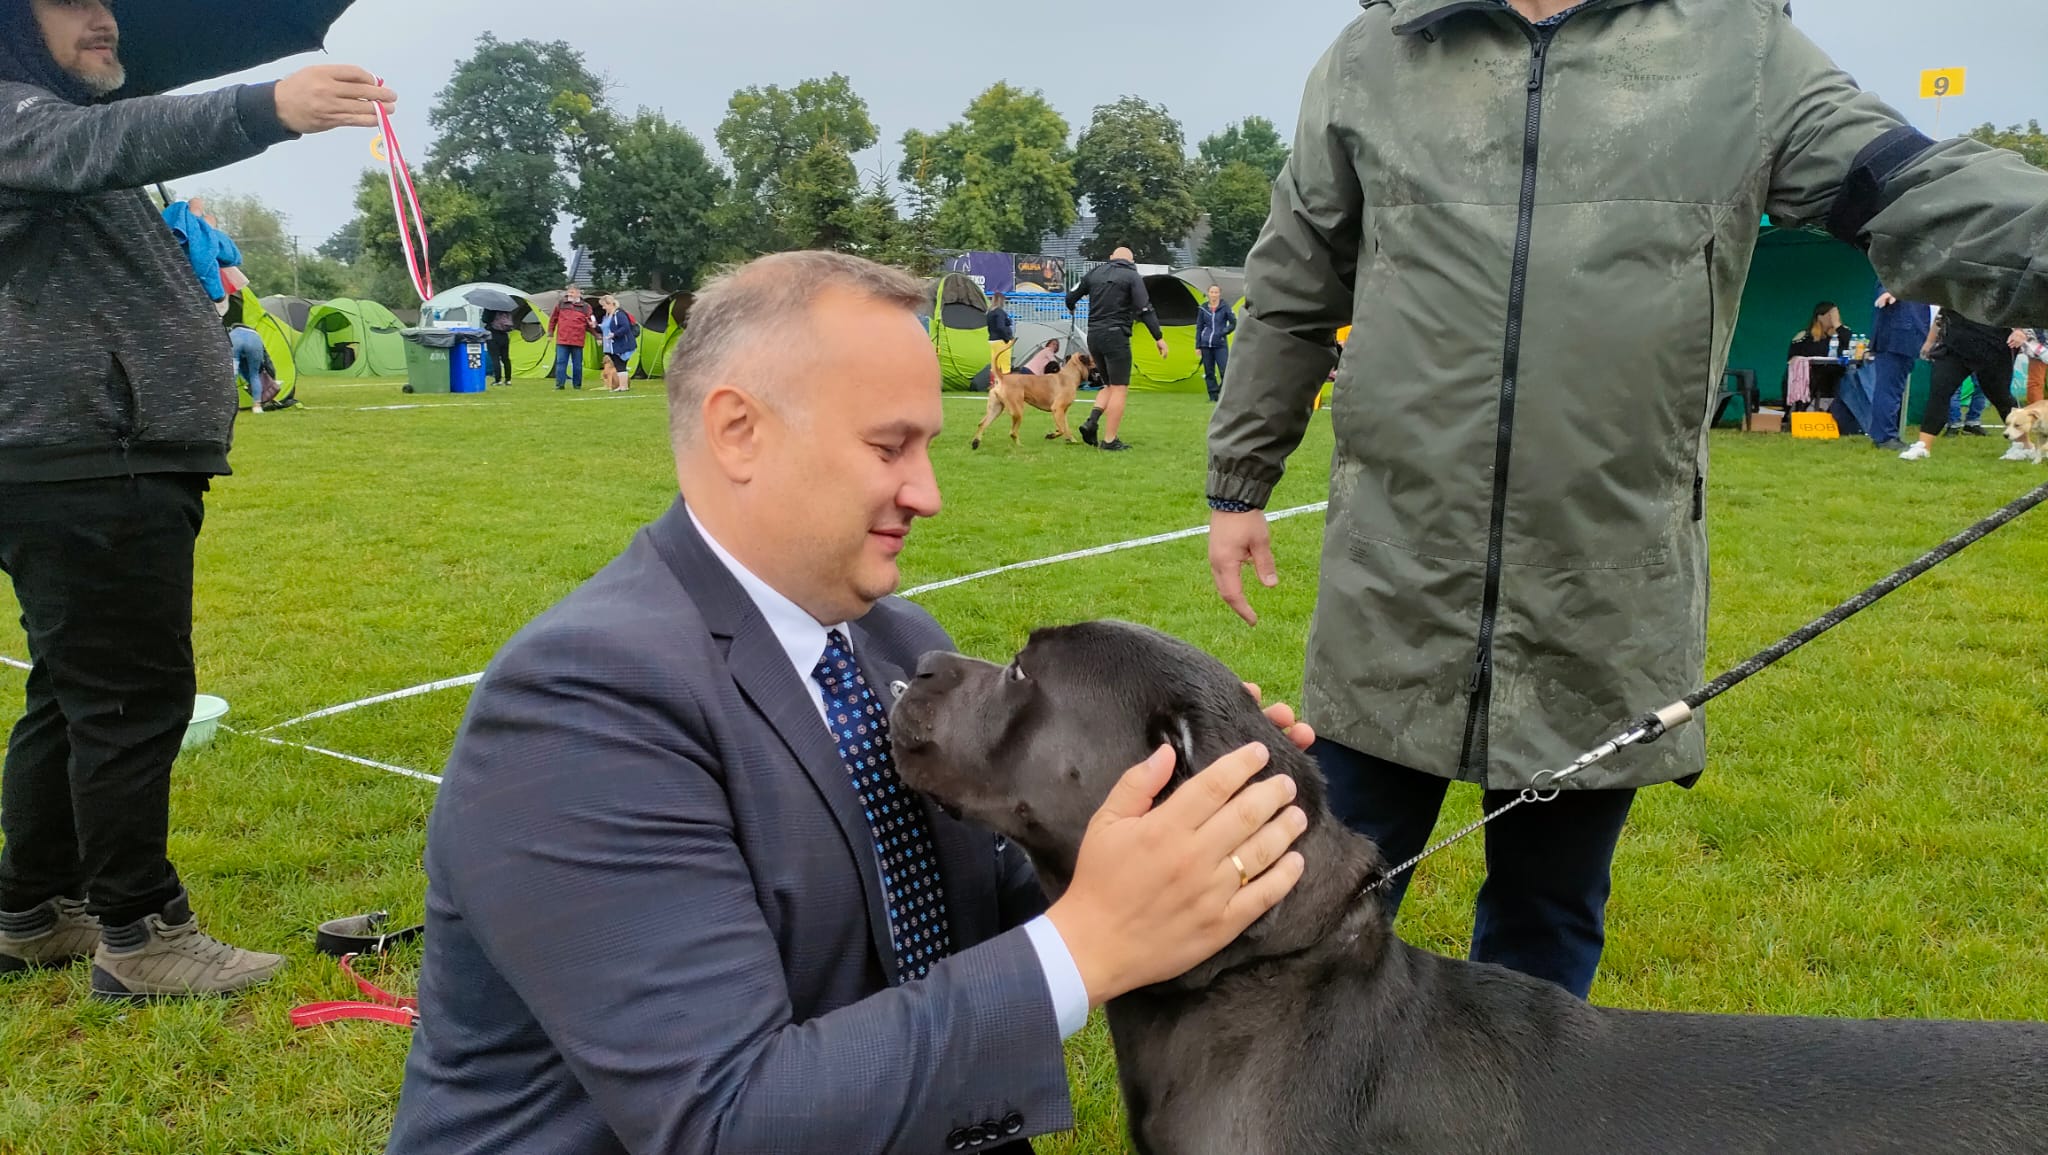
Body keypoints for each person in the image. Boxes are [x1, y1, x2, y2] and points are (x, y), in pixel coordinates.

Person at [1207, 0, 2048, 1001]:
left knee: (1545, 930)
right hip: (1389, 584)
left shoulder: (1734, 46)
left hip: (1603, 598)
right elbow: (1294, 279)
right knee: (1313, 922)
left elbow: (1910, 182)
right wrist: (1240, 476)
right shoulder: (1374, 54)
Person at [385, 251, 1312, 1154]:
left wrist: (1173, 818)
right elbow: (724, 1118)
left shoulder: (896, 642)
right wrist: (1087, 945)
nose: (929, 493)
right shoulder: (581, 706)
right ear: (738, 431)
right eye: (888, 446)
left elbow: (983, 908)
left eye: (929, 446)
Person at [0, 0, 397, 996]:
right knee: (131, 699)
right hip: (91, 456)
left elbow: (102, 139)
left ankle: (34, 910)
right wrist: (269, 106)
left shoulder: (50, 124)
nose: (105, 18)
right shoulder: (23, 119)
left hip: (90, 454)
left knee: (73, 691)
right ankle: (142, 937)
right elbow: (104, 139)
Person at [1068, 246, 1168, 451]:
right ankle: (1110, 440)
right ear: (1131, 261)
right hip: (1116, 335)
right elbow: (1145, 308)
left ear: (1111, 257)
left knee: (1109, 385)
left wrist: (1071, 306)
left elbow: (1071, 296)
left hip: (1094, 336)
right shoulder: (1132, 276)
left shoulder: (1095, 273)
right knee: (1120, 388)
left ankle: (1092, 422)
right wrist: (1158, 337)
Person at [1900, 311, 2028, 461]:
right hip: (1954, 345)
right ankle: (1923, 446)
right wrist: (1929, 341)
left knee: (2000, 397)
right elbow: (1942, 313)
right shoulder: (1955, 295)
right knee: (1939, 391)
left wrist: (2020, 330)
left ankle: (2023, 445)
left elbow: (2019, 306)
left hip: (1993, 346)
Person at [1866, 288, 1932, 450]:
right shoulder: (1900, 277)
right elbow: (1888, 284)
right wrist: (1888, 293)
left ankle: (1885, 435)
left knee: (1891, 390)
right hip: (1897, 339)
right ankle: (1885, 437)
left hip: (1901, 339)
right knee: (1889, 390)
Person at [1785, 300, 1852, 410]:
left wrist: (1837, 326)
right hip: (1813, 376)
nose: (1834, 318)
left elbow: (1851, 345)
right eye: (1831, 315)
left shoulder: (1843, 333)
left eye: (1836, 315)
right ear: (1820, 317)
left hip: (1837, 374)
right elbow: (1792, 359)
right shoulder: (1804, 337)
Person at [1196, 283, 1237, 402]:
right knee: (1209, 372)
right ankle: (1213, 396)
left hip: (1220, 344)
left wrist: (1223, 332)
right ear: (1208, 294)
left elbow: (1233, 323)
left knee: (1224, 370)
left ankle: (1221, 392)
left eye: (1216, 292)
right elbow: (1199, 327)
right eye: (1212, 292)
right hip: (1205, 344)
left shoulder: (1225, 307)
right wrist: (1198, 345)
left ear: (1219, 294)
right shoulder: (1203, 308)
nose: (1214, 294)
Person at [548, 285, 593, 390]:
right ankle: (560, 385)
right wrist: (550, 333)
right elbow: (553, 319)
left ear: (578, 293)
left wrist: (597, 336)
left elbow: (590, 323)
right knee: (560, 362)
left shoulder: (586, 307)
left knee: (577, 364)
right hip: (562, 339)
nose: (570, 294)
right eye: (569, 292)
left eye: (572, 292)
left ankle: (577, 385)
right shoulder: (561, 304)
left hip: (577, 339)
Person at [597, 293, 636, 392]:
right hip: (611, 346)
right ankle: (622, 386)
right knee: (619, 365)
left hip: (621, 344)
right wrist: (595, 326)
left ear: (610, 304)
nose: (603, 308)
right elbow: (603, 329)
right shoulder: (606, 316)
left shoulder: (619, 314)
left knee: (621, 364)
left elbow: (625, 327)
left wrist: (614, 334)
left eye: (604, 305)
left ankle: (623, 386)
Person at [227, 323, 268, 414]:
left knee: (232, 375)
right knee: (254, 375)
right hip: (254, 340)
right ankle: (257, 407)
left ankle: (229, 405)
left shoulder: (232, 332)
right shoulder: (255, 333)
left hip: (235, 340)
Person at [987, 290, 1016, 375]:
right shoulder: (1000, 312)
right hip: (1001, 341)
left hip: (992, 340)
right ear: (1002, 301)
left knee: (995, 364)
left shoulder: (989, 313)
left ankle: (994, 382)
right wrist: (1007, 338)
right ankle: (1006, 382)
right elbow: (1000, 326)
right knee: (1005, 365)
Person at [483, 307, 514, 386]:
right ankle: (508, 380)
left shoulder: (490, 308)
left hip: (493, 335)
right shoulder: (507, 309)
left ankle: (498, 380)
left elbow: (485, 319)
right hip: (505, 336)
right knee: (506, 358)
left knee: (495, 358)